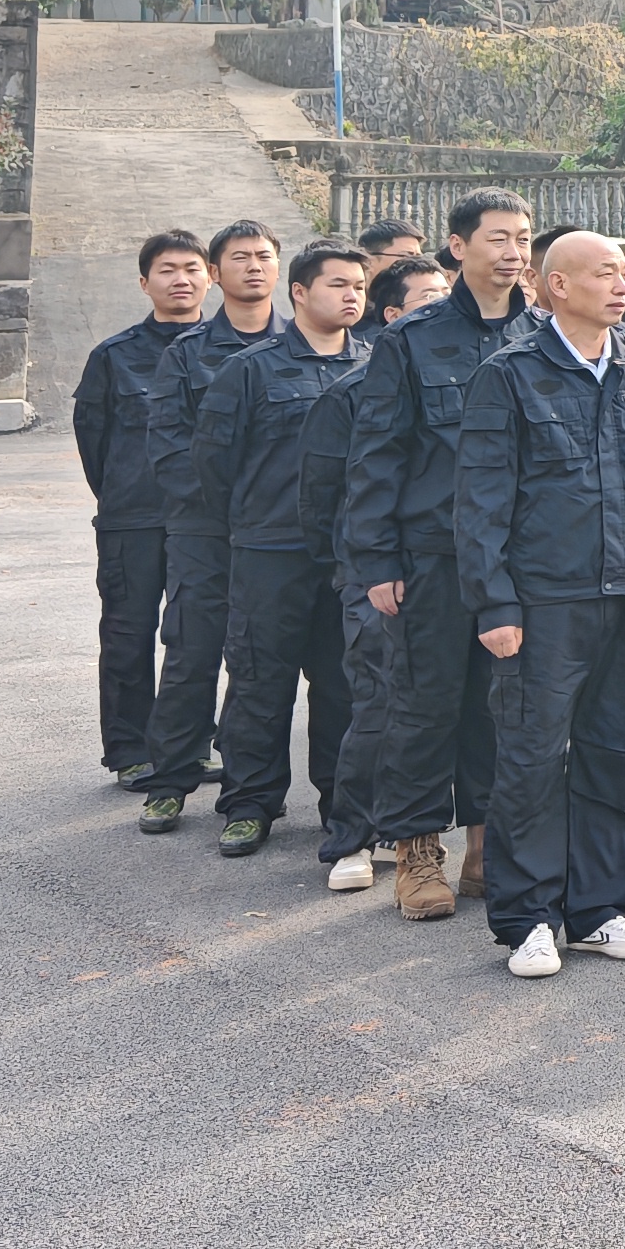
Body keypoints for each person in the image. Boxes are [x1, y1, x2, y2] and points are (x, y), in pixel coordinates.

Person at [458, 231, 625, 979]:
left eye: (624, 274)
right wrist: (495, 604)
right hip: (545, 601)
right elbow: (481, 500)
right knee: (531, 758)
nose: (622, 286)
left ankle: (600, 909)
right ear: (556, 286)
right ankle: (529, 918)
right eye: (605, 274)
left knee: (618, 754)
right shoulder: (511, 375)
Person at [336, 188, 539, 922]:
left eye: (523, 238)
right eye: (498, 238)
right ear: (458, 248)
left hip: (520, 560)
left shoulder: (544, 334)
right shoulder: (411, 340)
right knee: (422, 705)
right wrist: (377, 560)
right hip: (432, 556)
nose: (514, 252)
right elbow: (377, 455)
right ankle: (418, 851)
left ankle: (485, 847)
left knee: (504, 708)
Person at [178, 238, 378, 858]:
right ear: (299, 292)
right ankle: (249, 803)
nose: (352, 296)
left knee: (345, 685)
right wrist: (252, 523)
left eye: (359, 286)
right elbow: (213, 463)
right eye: (338, 285)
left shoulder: (377, 366)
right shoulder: (251, 369)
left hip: (347, 555)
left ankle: (342, 807)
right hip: (271, 550)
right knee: (260, 679)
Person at [132, 220, 285, 832]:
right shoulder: (186, 353)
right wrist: (228, 506)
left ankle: (248, 795)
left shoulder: (300, 345)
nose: (254, 266)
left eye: (264, 256)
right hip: (205, 530)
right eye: (240, 258)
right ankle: (170, 779)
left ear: (282, 271)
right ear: (216, 274)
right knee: (191, 652)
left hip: (279, 537)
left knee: (260, 664)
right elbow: (169, 446)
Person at [303, 251, 448, 889]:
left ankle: (419, 834)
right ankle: (351, 838)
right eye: (427, 299)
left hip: (444, 567)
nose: (443, 308)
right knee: (379, 703)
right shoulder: (351, 393)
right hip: (375, 571)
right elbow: (322, 497)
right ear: (394, 317)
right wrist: (359, 567)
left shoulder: (477, 375)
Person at [72, 228, 209, 786]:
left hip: (204, 520)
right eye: (167, 270)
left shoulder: (230, 350)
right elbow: (93, 439)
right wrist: (121, 493)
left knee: (196, 636)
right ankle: (130, 749)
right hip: (132, 518)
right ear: (144, 283)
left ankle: (190, 746)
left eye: (192, 269)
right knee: (128, 635)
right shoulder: (114, 356)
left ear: (210, 278)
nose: (181, 280)